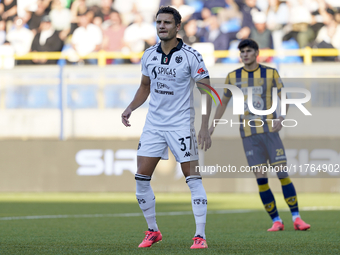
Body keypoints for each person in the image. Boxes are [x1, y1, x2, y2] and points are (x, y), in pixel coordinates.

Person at [121, 6, 212, 249]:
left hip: (181, 125)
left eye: (167, 23)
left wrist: (204, 127)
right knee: (141, 178)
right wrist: (131, 107)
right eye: (159, 22)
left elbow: (207, 93)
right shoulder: (149, 54)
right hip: (154, 125)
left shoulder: (192, 56)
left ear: (177, 26)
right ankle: (153, 231)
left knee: (193, 179)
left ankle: (200, 236)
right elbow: (144, 86)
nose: (162, 26)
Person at [209, 39, 311, 232]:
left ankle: (297, 218)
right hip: (249, 136)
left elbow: (284, 96)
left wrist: (281, 117)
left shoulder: (270, 73)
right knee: (261, 177)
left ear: (256, 53)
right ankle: (276, 221)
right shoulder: (233, 76)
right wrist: (212, 125)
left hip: (270, 132)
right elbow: (223, 102)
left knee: (282, 173)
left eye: (248, 51)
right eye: (242, 52)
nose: (245, 55)